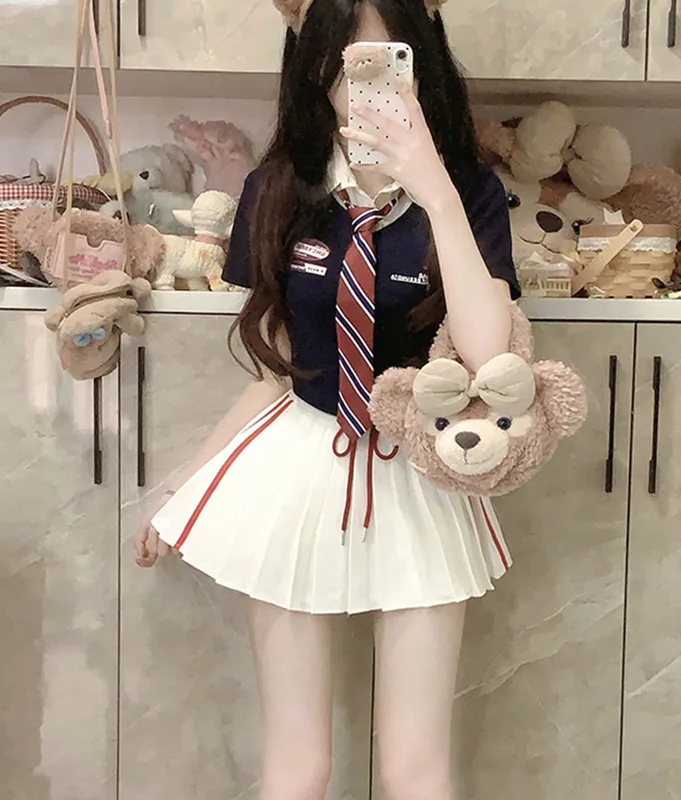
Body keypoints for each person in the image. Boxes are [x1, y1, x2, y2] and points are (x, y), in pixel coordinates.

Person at [134, 1, 521, 798]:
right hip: (299, 470)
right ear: (316, 69)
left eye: (388, 60)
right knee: (299, 767)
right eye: (350, 62)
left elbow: (489, 357)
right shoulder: (279, 188)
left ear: (423, 65)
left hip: (420, 475)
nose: (367, 84)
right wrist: (184, 486)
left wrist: (435, 189)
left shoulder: (470, 193)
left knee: (415, 770)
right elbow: (274, 372)